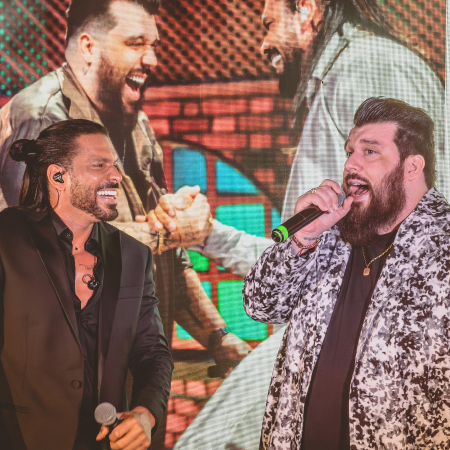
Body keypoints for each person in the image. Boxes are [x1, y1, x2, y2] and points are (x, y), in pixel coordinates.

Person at [173, 1, 445, 448]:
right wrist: (213, 236)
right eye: (350, 151)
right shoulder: (341, 79)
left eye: (268, 23)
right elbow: (270, 298)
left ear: (307, 10)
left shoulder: (368, 66)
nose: (263, 43)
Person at [0, 0, 251, 420]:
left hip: (135, 392)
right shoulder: (42, 117)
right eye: (135, 43)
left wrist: (219, 338)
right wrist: (170, 232)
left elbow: (165, 258)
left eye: (153, 45)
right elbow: (52, 250)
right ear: (88, 46)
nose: (151, 59)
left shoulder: (137, 125)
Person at [243, 97, 450, 449]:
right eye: (350, 151)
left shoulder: (442, 247)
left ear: (412, 166)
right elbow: (261, 305)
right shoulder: (330, 232)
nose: (351, 164)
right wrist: (303, 238)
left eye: (370, 152)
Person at [0, 119, 173, 450]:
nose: (116, 176)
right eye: (99, 165)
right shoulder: (6, 238)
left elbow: (152, 352)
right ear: (58, 176)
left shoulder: (134, 255)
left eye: (115, 165)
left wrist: (145, 413)